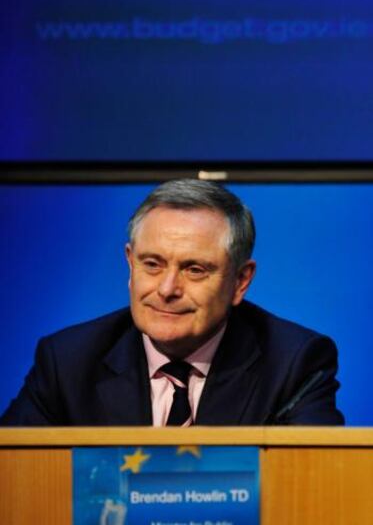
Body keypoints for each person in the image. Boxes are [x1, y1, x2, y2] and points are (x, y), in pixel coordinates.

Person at [0, 179, 344, 426]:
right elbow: (15, 479)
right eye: (152, 264)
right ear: (130, 263)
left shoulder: (292, 363)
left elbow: (311, 486)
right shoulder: (68, 362)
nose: (167, 289)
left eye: (194, 269)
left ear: (240, 281)